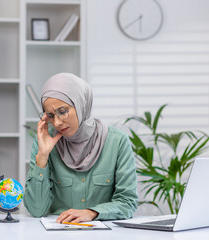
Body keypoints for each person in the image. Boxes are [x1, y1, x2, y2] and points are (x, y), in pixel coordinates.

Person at [24, 73, 138, 223]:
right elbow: (37, 210)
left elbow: (127, 203)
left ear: (81, 105)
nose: (57, 123)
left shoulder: (117, 142)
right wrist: (42, 157)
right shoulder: (45, 142)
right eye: (51, 115)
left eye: (63, 112)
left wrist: (92, 213)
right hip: (58, 233)